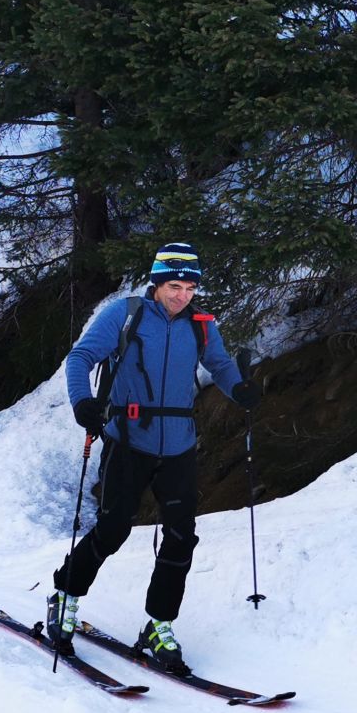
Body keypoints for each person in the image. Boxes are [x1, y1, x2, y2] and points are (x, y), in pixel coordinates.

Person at [43, 242, 263, 673]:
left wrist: (239, 389)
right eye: (175, 286)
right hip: (127, 440)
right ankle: (65, 595)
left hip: (179, 444)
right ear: (157, 282)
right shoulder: (126, 314)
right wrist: (81, 403)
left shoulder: (200, 324)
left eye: (190, 287)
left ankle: (159, 624)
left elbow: (219, 365)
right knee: (112, 530)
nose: (183, 295)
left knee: (181, 536)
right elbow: (81, 357)